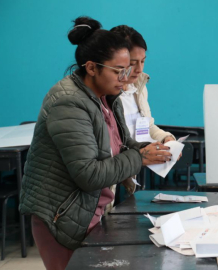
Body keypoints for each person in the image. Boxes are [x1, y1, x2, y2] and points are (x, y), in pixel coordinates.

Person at [19, 17, 171, 270]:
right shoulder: (68, 102)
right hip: (62, 217)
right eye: (118, 70)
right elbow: (88, 174)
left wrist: (146, 150)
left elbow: (120, 145)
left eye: (129, 68)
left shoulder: (108, 96)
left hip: (89, 212)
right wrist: (140, 158)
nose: (126, 77)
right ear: (91, 67)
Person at [110, 25, 175, 144]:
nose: (139, 69)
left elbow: (146, 127)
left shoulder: (139, 87)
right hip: (126, 160)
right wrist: (141, 156)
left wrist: (165, 138)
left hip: (141, 159)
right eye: (133, 63)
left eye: (143, 61)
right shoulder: (106, 94)